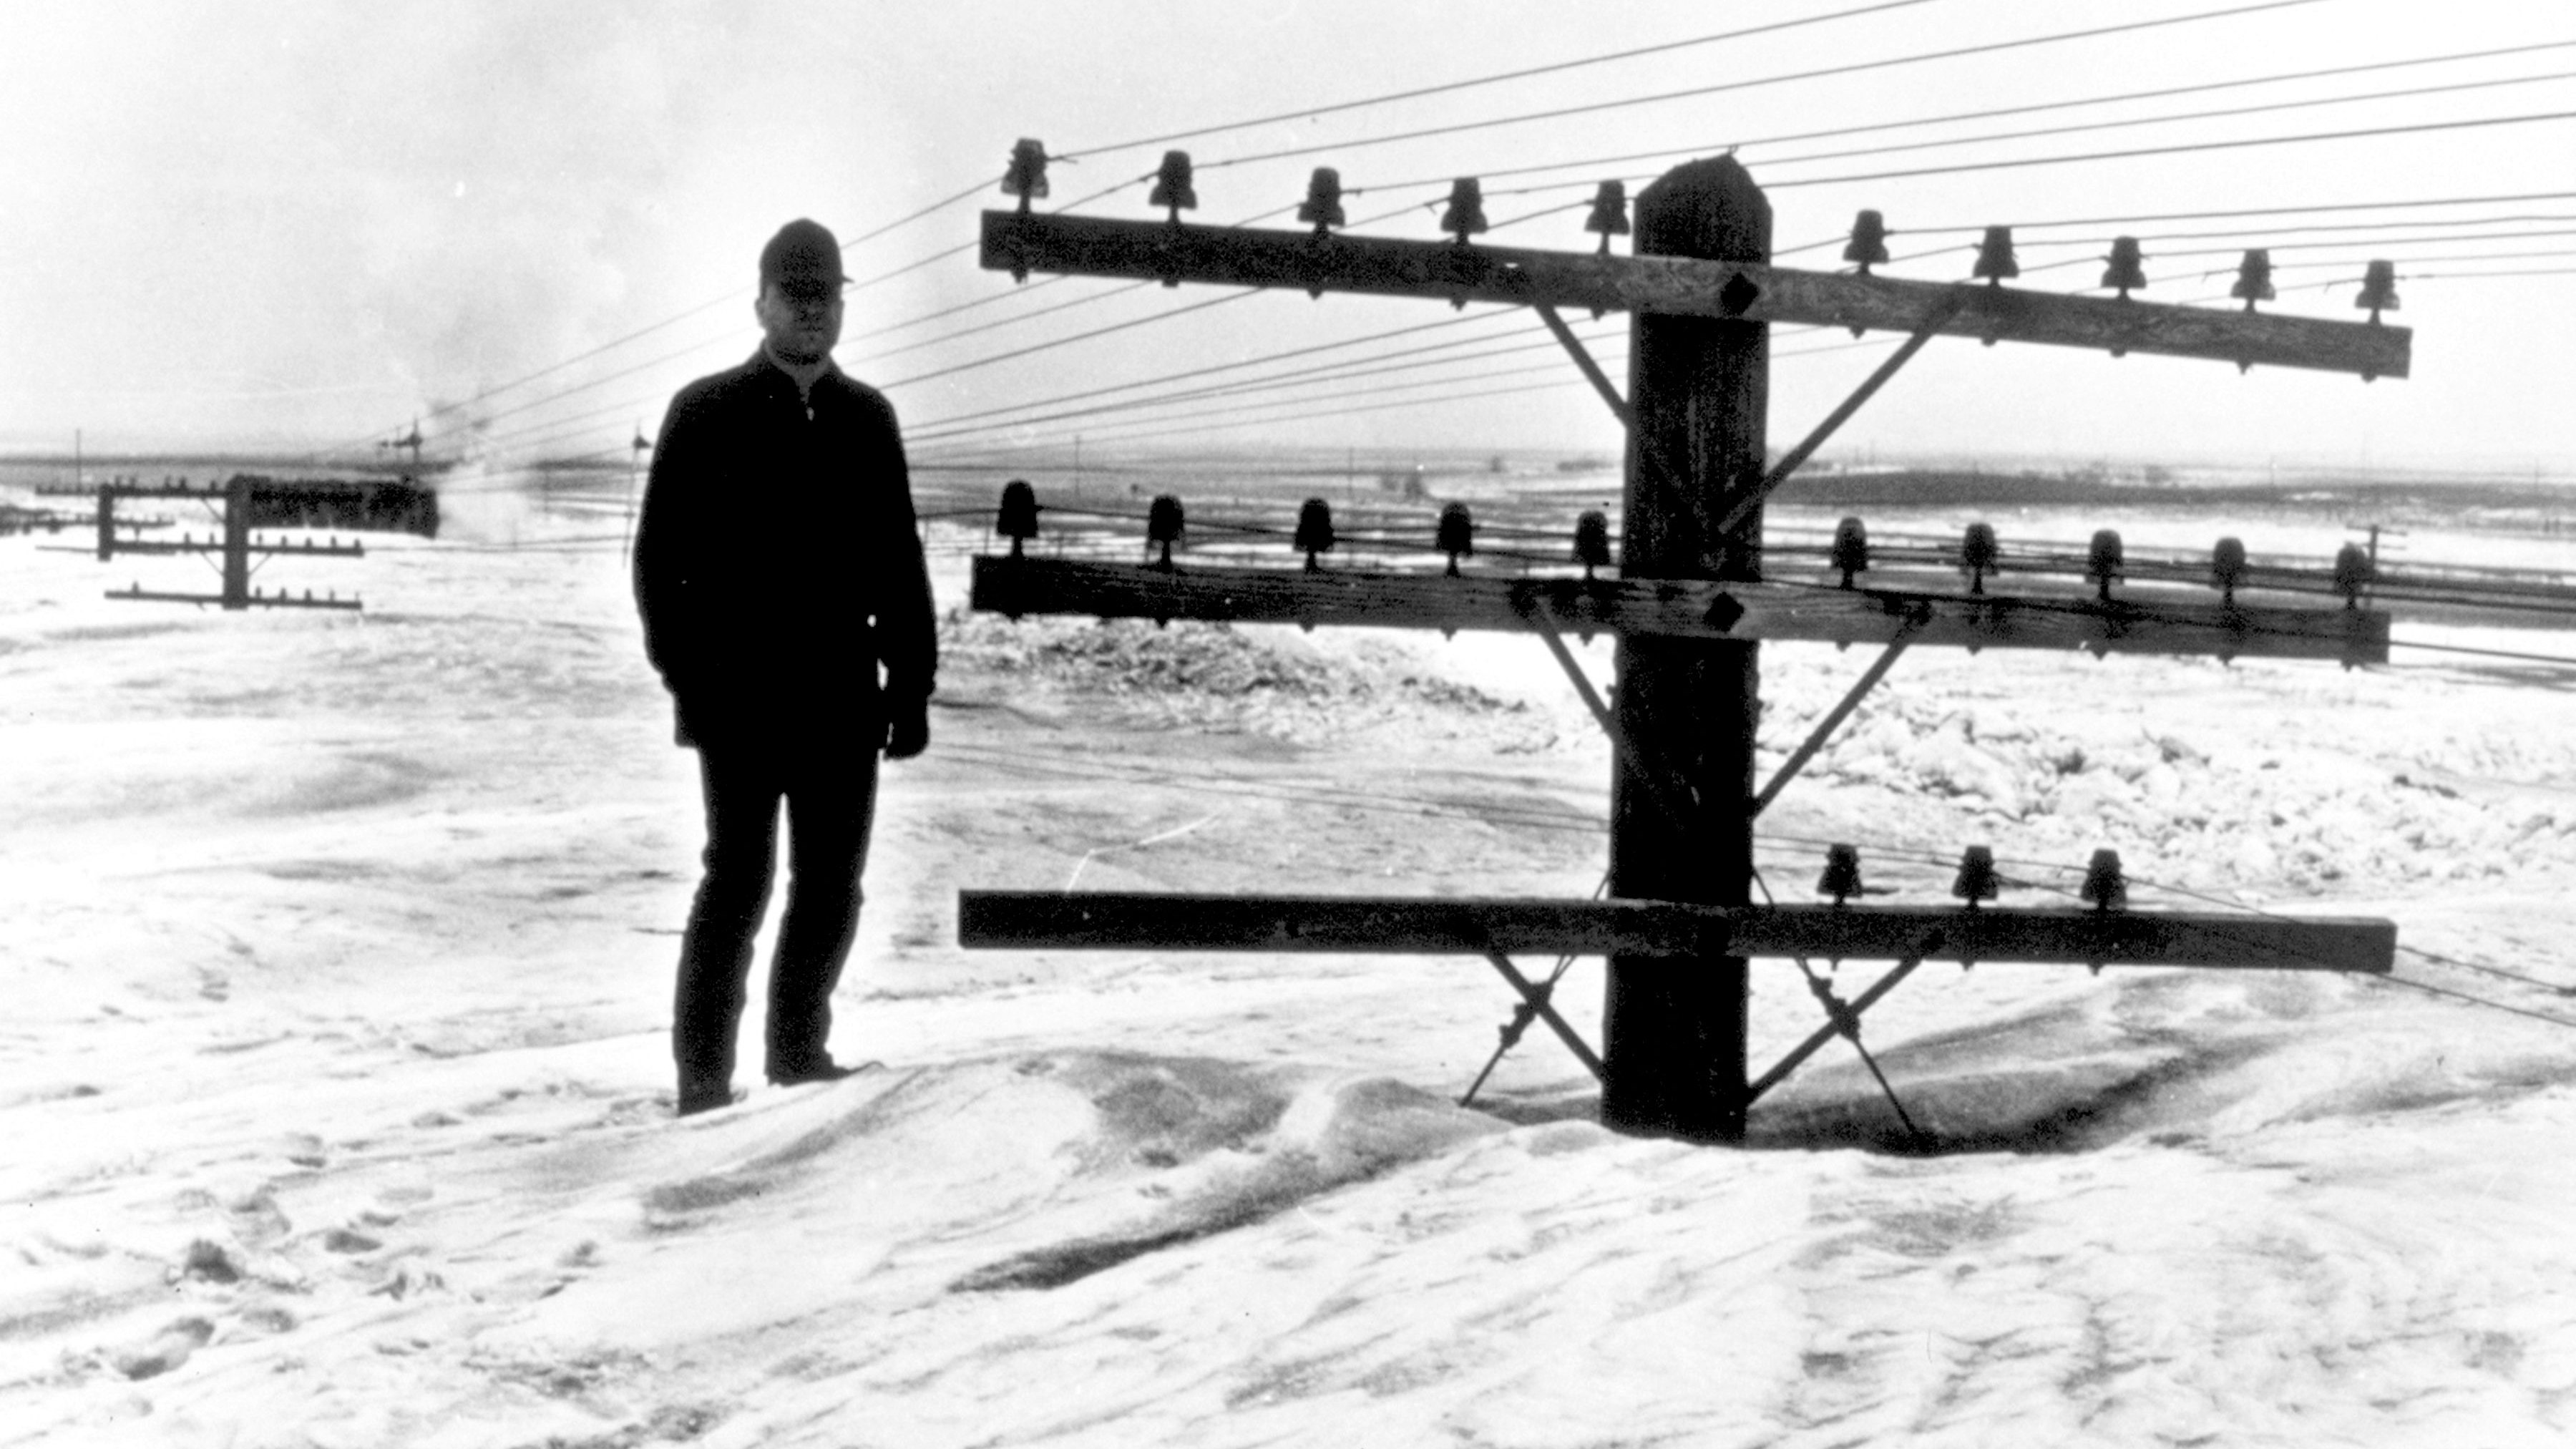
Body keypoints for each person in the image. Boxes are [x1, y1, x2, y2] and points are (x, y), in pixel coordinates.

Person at [632, 218, 937, 1118]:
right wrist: (692, 682)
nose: (813, 312)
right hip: (740, 702)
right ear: (760, 302)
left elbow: (898, 560)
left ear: (842, 307)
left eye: (828, 297)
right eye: (796, 296)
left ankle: (799, 1057)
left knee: (831, 886)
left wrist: (909, 686)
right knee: (737, 883)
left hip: (842, 701)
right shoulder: (706, 411)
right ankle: (702, 1083)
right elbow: (659, 567)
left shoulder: (868, 419)